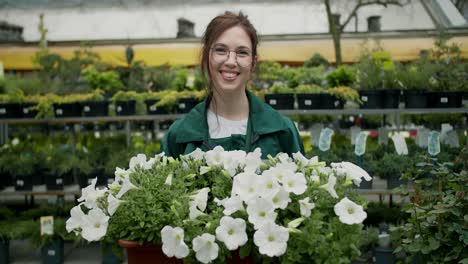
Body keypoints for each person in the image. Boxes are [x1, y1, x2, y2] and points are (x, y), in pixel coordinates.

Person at [161, 11, 304, 159]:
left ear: (253, 63)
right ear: (207, 57)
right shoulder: (179, 136)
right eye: (220, 50)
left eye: (242, 52)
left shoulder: (282, 131)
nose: (230, 61)